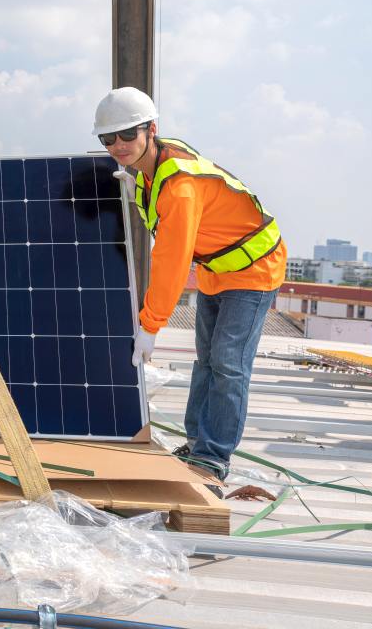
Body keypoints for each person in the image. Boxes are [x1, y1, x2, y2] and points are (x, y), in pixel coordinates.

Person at [93, 87, 286, 484]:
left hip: (254, 270)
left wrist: (151, 324)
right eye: (107, 139)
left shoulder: (180, 186)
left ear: (151, 129)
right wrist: (136, 193)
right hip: (217, 271)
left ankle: (213, 458)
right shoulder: (156, 166)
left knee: (229, 365)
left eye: (128, 134)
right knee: (207, 361)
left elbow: (170, 260)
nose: (118, 146)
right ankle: (197, 442)